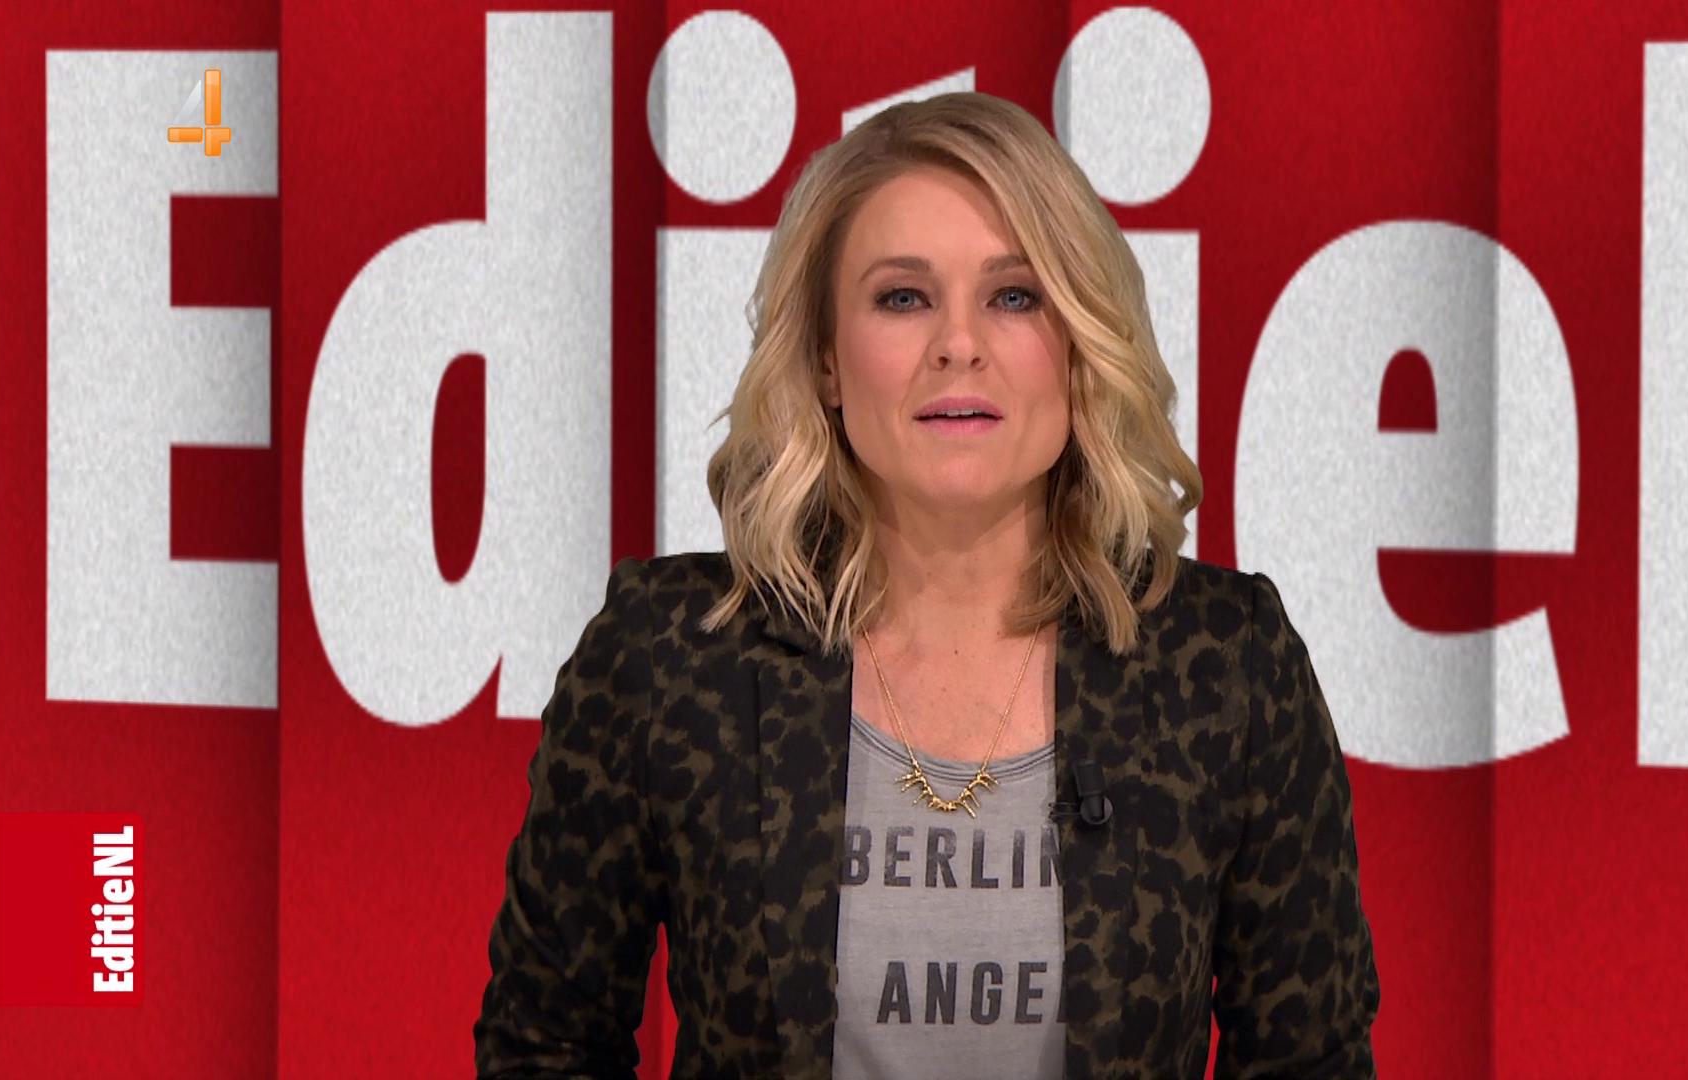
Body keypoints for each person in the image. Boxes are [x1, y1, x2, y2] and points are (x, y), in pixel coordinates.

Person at [474, 90, 1379, 1078]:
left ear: (1081, 347)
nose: (959, 343)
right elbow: (542, 1045)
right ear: (826, 360)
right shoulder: (672, 659)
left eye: (1014, 296)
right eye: (903, 297)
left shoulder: (1229, 670)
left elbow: (1311, 1063)